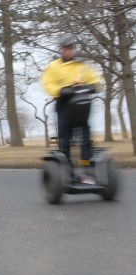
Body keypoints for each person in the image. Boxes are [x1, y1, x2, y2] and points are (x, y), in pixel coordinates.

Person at [41, 34, 100, 181]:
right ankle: (68, 172)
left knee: (85, 141)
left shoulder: (82, 66)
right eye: (66, 48)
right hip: (64, 108)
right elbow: (48, 84)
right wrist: (61, 91)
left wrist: (92, 86)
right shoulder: (54, 66)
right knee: (65, 141)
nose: (69, 51)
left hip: (81, 109)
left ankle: (87, 168)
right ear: (61, 50)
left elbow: (96, 80)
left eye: (71, 48)